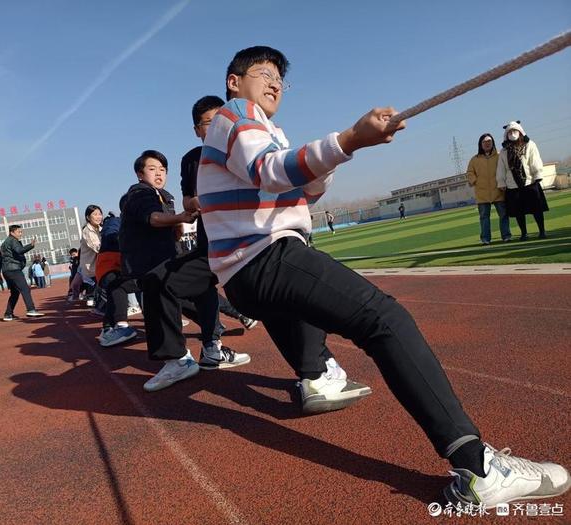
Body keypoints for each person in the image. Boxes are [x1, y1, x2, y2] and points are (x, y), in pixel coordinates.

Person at [197, 45, 569, 510]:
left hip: (253, 269)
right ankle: (477, 468)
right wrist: (350, 139)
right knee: (384, 319)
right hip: (263, 256)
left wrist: (331, 159)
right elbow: (271, 172)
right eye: (263, 73)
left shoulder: (266, 128)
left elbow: (300, 185)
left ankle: (316, 377)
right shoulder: (235, 114)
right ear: (234, 81)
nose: (274, 83)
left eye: (280, 78)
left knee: (324, 304)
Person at [117, 150, 250, 392]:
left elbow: (169, 225)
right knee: (162, 296)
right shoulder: (139, 193)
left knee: (204, 288)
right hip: (150, 265)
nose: (159, 173)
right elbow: (154, 219)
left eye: (162, 170)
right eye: (152, 169)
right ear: (139, 174)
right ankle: (177, 359)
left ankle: (212, 347)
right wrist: (181, 217)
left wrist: (177, 223)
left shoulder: (163, 196)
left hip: (168, 260)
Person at [179, 95, 258, 332]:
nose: (213, 127)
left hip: (248, 229)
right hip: (210, 234)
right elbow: (185, 199)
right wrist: (192, 202)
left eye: (218, 120)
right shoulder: (191, 160)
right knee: (201, 285)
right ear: (196, 130)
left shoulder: (244, 146)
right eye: (207, 122)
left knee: (257, 286)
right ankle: (212, 341)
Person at [496, 121, 549, 241]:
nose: (512, 133)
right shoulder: (504, 151)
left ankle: (542, 231)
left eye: (514, 130)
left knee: (537, 209)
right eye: (509, 131)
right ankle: (524, 233)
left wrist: (538, 174)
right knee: (518, 212)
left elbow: (535, 160)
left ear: (520, 131)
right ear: (506, 134)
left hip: (530, 182)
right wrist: (501, 182)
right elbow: (501, 169)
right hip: (512, 185)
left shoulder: (529, 144)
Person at [466, 133, 511, 245]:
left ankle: (506, 236)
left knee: (504, 215)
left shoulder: (499, 156)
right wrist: (475, 181)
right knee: (484, 217)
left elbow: (506, 169)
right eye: (484, 142)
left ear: (493, 143)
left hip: (499, 191)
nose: (487, 144)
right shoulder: (474, 159)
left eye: (489, 141)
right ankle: (486, 239)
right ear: (480, 144)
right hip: (482, 193)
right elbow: (470, 172)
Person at [0, 224, 45, 321]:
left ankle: (8, 314)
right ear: (12, 232)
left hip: (6, 271)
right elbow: (19, 250)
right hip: (14, 270)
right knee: (25, 289)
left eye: (21, 232)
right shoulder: (13, 241)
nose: (21, 234)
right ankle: (31, 309)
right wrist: (31, 245)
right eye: (19, 232)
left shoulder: (5, 244)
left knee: (15, 292)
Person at [68, 205, 102, 304]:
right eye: (95, 214)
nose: (98, 216)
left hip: (93, 264)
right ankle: (89, 298)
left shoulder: (100, 229)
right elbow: (97, 247)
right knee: (79, 284)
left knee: (76, 284)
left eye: (100, 214)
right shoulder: (87, 231)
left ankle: (78, 296)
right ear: (88, 217)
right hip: (89, 265)